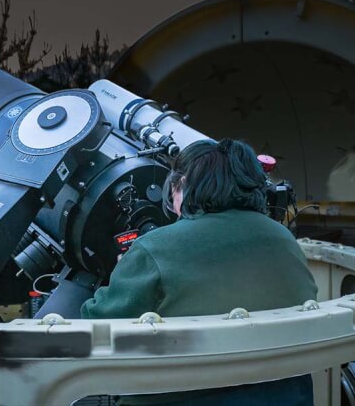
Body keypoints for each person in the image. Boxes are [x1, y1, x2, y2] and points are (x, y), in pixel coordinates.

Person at [81, 138, 318, 405]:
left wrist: (122, 269)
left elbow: (95, 326)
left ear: (181, 185)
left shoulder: (154, 248)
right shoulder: (284, 238)